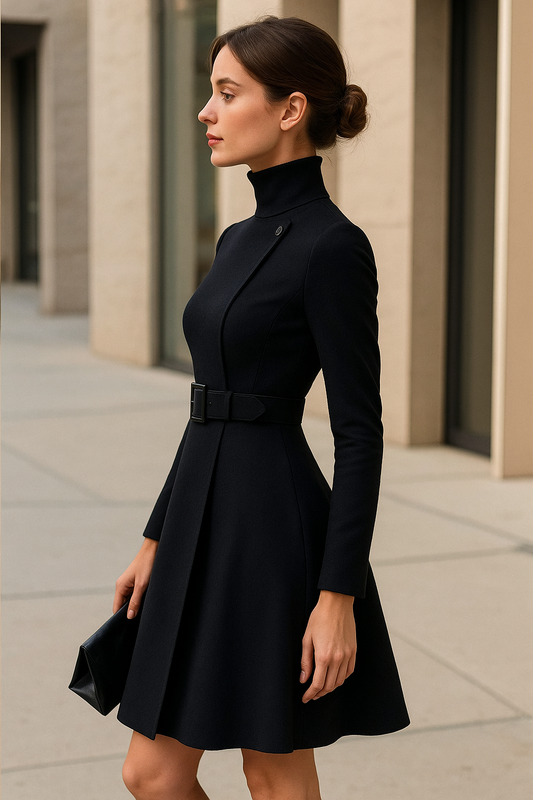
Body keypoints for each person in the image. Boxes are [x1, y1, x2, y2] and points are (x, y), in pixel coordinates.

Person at [113, 15, 409, 800]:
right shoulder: (239, 237)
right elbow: (208, 405)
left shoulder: (331, 246)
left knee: (270, 768)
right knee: (151, 773)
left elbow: (358, 433)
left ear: (289, 109)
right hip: (198, 524)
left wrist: (335, 595)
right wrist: (155, 536)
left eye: (225, 92)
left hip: (271, 532)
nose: (206, 112)